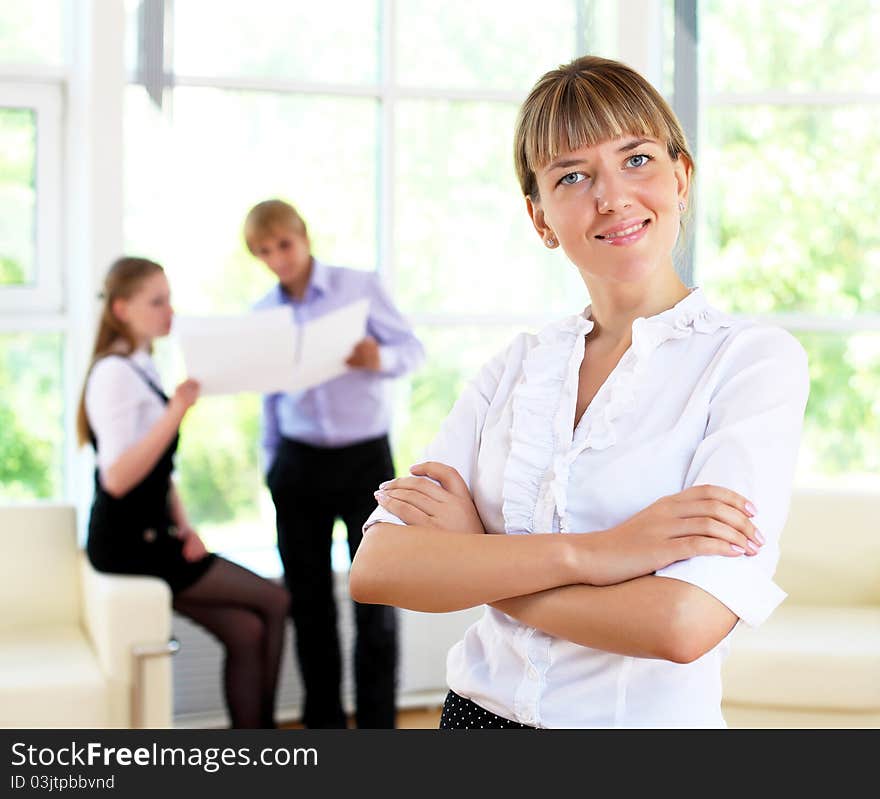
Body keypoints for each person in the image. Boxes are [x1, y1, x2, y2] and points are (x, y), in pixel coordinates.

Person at [349, 55, 810, 729]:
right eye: (573, 175)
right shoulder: (515, 366)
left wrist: (479, 558)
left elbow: (683, 623)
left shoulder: (751, 363)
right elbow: (381, 565)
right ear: (540, 218)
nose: (614, 195)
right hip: (475, 719)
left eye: (638, 159)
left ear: (681, 178)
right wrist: (600, 553)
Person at [77, 256, 290, 730]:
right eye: (157, 301)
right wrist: (176, 410)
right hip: (131, 546)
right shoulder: (114, 374)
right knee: (274, 603)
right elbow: (117, 478)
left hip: (157, 537)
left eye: (169, 298)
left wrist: (187, 527)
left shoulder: (140, 365)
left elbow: (159, 470)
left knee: (247, 629)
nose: (169, 311)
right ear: (122, 308)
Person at [244, 199, 425, 729]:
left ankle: (376, 726)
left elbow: (413, 351)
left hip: (365, 461)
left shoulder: (359, 286)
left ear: (304, 237)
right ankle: (322, 726)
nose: (278, 259)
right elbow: (270, 399)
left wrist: (380, 359)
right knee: (308, 601)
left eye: (284, 245)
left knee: (377, 595)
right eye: (264, 252)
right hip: (298, 466)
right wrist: (272, 466)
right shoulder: (264, 315)